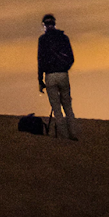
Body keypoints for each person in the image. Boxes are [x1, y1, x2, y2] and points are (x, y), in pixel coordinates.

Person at [37, 12, 79, 140]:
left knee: (56, 108)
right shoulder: (64, 38)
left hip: (50, 76)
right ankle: (73, 134)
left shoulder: (43, 40)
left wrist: (40, 80)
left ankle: (64, 137)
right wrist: (64, 68)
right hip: (63, 75)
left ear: (44, 25)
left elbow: (40, 61)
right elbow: (71, 58)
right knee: (68, 106)